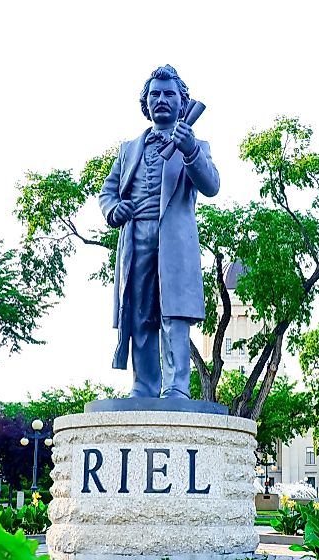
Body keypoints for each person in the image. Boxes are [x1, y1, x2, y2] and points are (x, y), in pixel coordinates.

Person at [99, 65, 220, 399]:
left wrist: (191, 150)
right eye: (155, 94)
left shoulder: (196, 143)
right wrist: (114, 209)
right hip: (135, 240)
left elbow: (211, 185)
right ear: (146, 102)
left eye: (169, 94)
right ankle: (144, 385)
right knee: (139, 313)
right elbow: (108, 192)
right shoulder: (128, 149)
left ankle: (177, 386)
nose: (162, 99)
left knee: (174, 314)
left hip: (174, 242)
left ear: (182, 102)